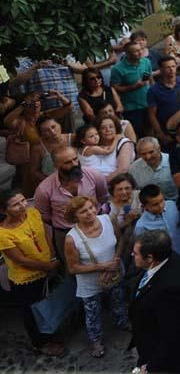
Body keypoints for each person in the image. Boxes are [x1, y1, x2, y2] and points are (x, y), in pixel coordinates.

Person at [0, 189, 65, 356]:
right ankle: (41, 343)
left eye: (23, 200)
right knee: (33, 313)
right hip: (26, 279)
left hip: (47, 267)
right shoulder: (3, 234)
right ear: (4, 210)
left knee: (48, 305)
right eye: (15, 204)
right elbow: (21, 260)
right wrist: (47, 267)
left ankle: (52, 332)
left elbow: (45, 237)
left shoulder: (33, 213)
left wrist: (51, 259)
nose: (22, 206)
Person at [64, 195, 129, 358]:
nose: (89, 212)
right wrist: (102, 266)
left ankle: (122, 322)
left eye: (91, 207)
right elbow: (72, 268)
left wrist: (115, 261)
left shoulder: (108, 220)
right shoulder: (72, 239)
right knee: (93, 313)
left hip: (114, 274)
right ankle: (96, 341)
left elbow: (120, 241)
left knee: (118, 300)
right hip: (90, 283)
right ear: (74, 217)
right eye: (83, 211)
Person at [129, 229, 180, 373]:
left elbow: (172, 334)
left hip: (165, 352)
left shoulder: (169, 291)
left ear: (150, 258)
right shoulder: (168, 256)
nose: (131, 255)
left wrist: (150, 366)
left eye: (135, 254)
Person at [34, 146, 109, 259]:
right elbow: (44, 216)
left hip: (95, 225)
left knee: (105, 257)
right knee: (70, 267)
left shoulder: (94, 175)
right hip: (65, 233)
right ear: (56, 165)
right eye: (68, 162)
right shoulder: (44, 189)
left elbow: (102, 197)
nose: (74, 164)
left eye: (75, 159)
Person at [133, 184, 180, 264]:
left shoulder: (171, 205)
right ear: (144, 206)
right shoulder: (141, 226)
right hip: (166, 265)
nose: (161, 206)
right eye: (155, 204)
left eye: (162, 201)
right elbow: (144, 250)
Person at [111, 41, 154, 136]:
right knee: (136, 132)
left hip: (148, 104)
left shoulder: (146, 62)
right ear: (127, 54)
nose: (140, 53)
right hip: (131, 107)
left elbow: (151, 79)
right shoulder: (117, 69)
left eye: (140, 50)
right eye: (136, 51)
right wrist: (134, 86)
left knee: (150, 130)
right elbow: (115, 88)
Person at [147, 57, 180, 146]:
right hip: (169, 133)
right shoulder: (154, 90)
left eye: (173, 66)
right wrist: (161, 135)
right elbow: (152, 115)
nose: (171, 69)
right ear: (161, 70)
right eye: (168, 67)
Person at [129, 137, 179, 202]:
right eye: (143, 154)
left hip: (175, 202)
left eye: (151, 152)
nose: (148, 157)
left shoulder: (173, 161)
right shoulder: (134, 168)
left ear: (159, 149)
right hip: (148, 206)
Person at [94, 115, 135, 180]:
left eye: (111, 127)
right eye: (103, 128)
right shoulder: (94, 144)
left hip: (117, 183)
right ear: (98, 131)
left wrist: (103, 183)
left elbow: (123, 169)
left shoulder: (124, 143)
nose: (108, 130)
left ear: (116, 129)